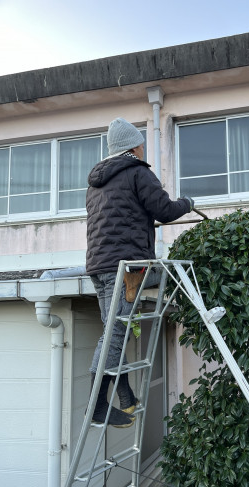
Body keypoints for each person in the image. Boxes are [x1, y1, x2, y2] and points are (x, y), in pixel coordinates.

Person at [86, 117, 193, 427]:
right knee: (114, 336)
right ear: (133, 147)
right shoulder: (136, 172)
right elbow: (166, 211)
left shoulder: (96, 183)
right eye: (141, 145)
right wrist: (187, 202)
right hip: (128, 267)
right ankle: (97, 407)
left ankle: (126, 397)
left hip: (100, 265)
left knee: (111, 331)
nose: (144, 149)